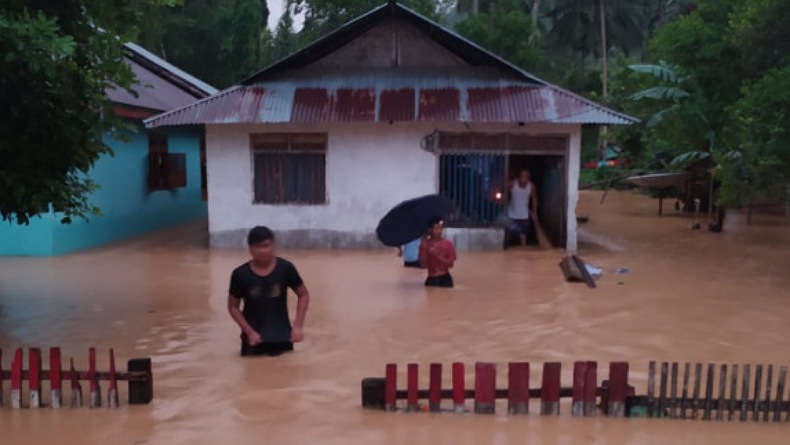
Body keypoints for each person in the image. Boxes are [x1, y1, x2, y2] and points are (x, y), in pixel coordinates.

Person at [227, 226, 310, 357]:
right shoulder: (240, 274)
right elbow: (233, 307)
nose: (262, 251)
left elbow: (303, 294)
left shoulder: (286, 268)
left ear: (273, 245)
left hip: (282, 338)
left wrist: (298, 326)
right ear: (249, 248)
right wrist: (249, 332)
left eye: (266, 246)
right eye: (257, 247)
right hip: (253, 341)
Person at [419, 217, 457, 288]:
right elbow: (423, 265)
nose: (439, 231)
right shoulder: (425, 244)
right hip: (431, 278)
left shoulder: (448, 244)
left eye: (440, 228)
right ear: (430, 230)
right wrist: (423, 249)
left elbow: (450, 264)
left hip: (445, 279)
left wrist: (437, 255)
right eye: (436, 229)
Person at [507, 169, 538, 246]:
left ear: (528, 178)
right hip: (512, 214)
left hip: (524, 215)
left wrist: (534, 212)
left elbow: (534, 199)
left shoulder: (531, 186)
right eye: (521, 176)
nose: (523, 178)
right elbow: (504, 189)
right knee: (509, 234)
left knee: (523, 236)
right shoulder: (513, 184)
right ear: (519, 177)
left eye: (525, 177)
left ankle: (523, 251)